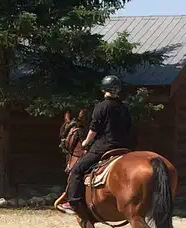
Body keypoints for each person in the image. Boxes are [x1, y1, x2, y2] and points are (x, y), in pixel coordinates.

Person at [57, 75, 134, 214]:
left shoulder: (101, 106)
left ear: (104, 89)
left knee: (77, 170)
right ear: (118, 90)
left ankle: (72, 202)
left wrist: (86, 142)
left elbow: (94, 129)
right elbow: (129, 127)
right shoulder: (124, 107)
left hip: (104, 147)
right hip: (123, 147)